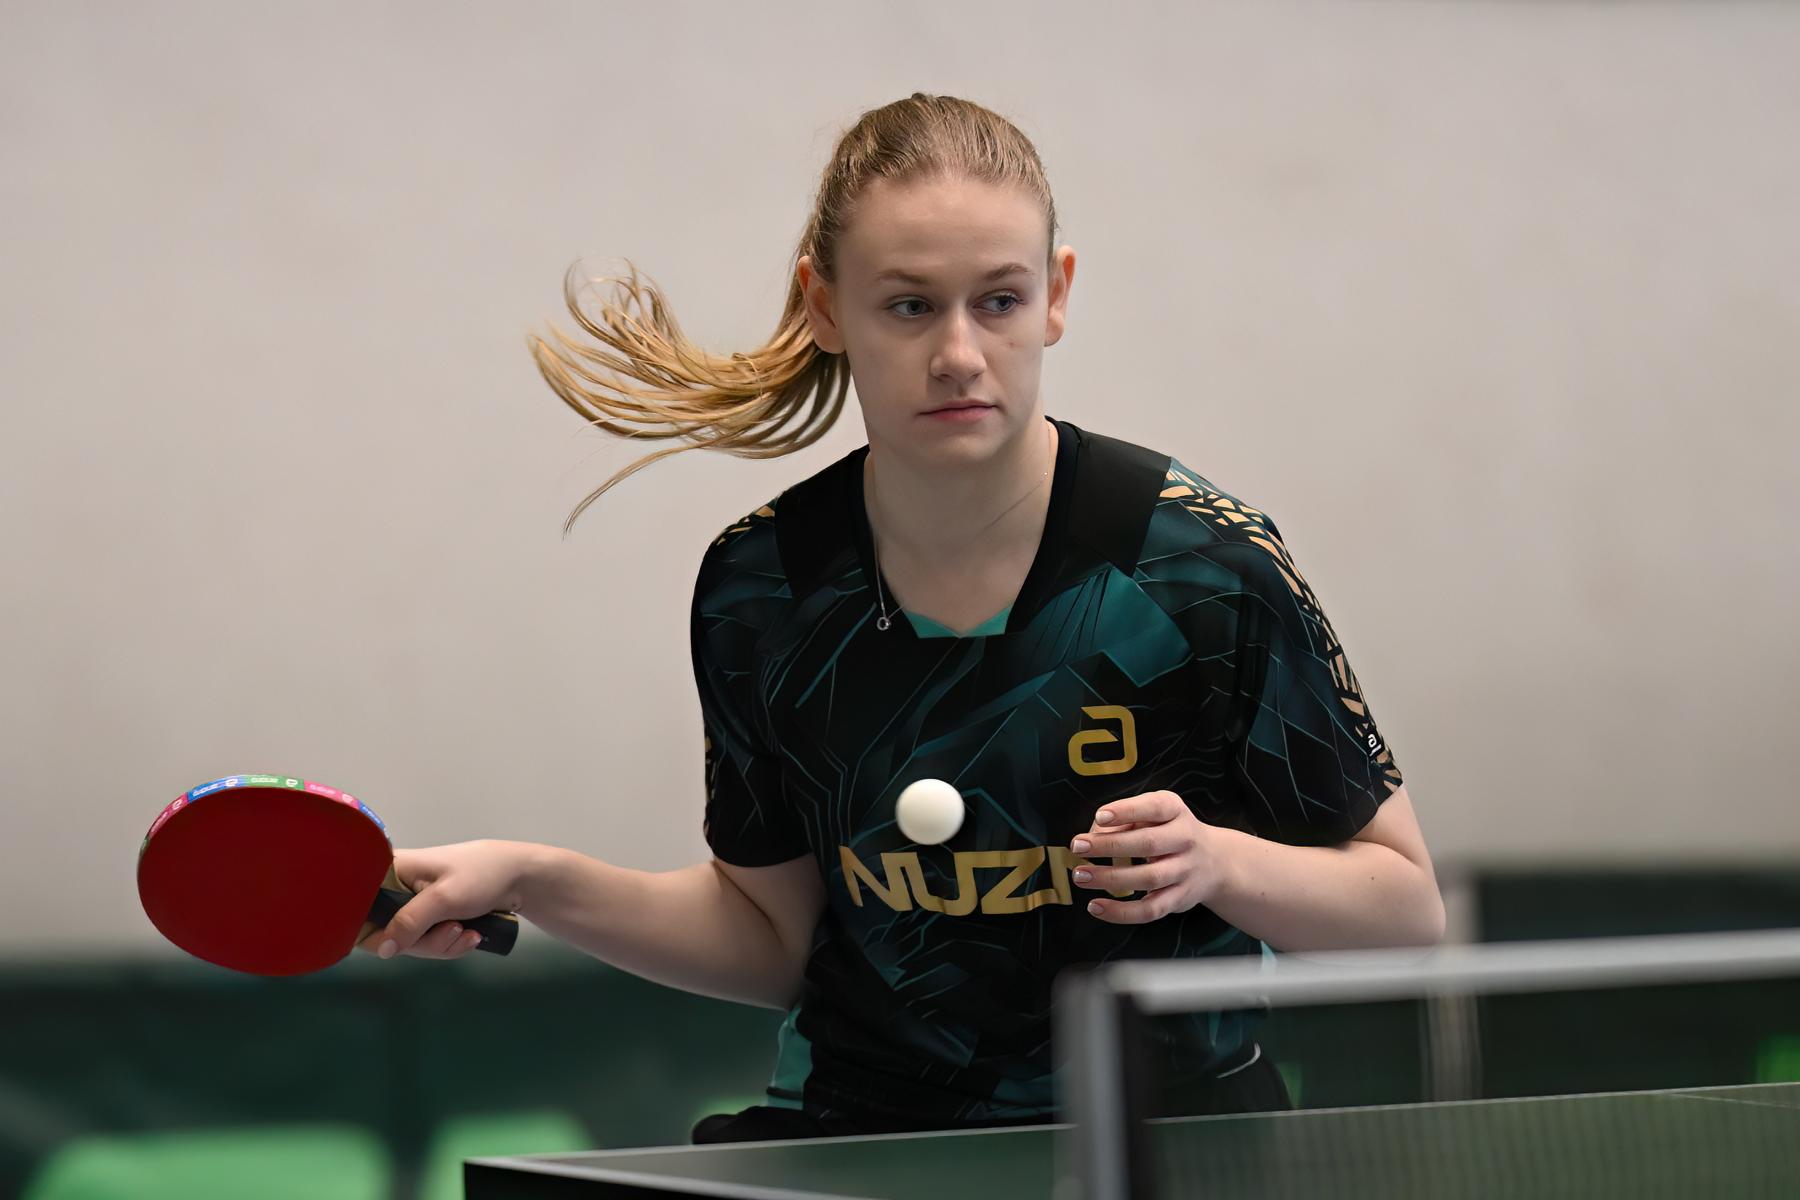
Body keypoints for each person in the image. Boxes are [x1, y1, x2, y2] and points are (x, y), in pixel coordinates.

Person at [362, 93, 1444, 1142]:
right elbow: (772, 939)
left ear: (1057, 294)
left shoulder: (1202, 566)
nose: (959, 353)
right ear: (825, 304)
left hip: (1166, 1137)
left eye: (999, 301)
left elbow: (1405, 915)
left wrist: (1220, 865)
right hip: (860, 1136)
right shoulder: (763, 587)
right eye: (910, 305)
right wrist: (533, 877)